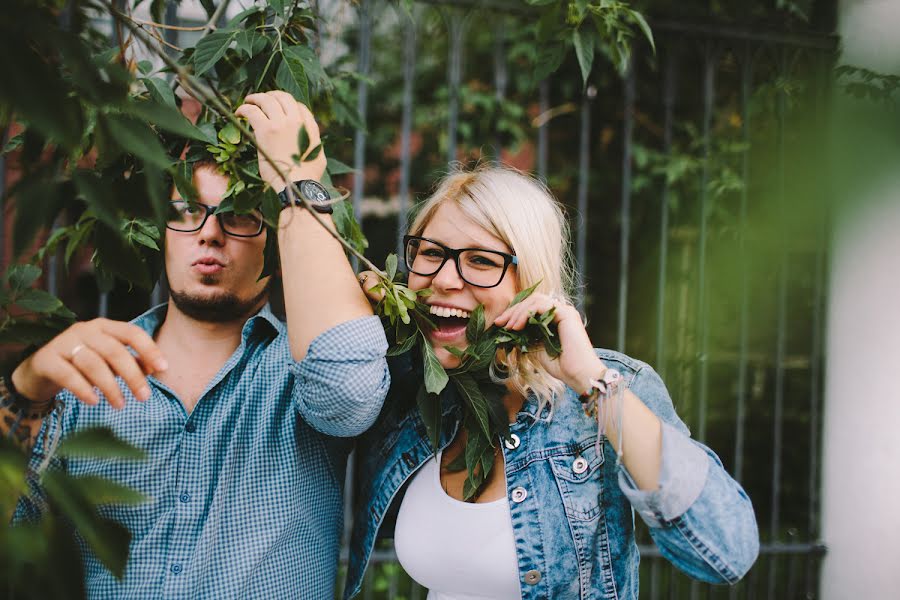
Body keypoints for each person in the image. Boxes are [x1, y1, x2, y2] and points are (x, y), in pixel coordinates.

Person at [1, 91, 390, 597]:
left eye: (242, 215)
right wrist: (24, 388)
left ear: (278, 238)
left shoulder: (301, 370)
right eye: (186, 212)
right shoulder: (89, 372)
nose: (208, 235)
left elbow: (348, 395)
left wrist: (300, 182)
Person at [346, 166, 759, 599]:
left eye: (482, 260)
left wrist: (590, 381)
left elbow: (727, 553)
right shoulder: (413, 384)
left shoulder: (608, 390)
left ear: (531, 279)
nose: (445, 279)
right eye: (431, 253)